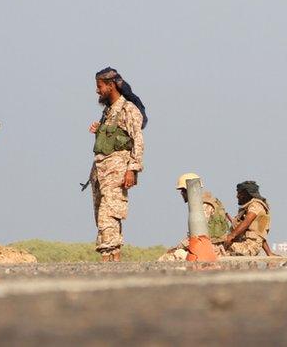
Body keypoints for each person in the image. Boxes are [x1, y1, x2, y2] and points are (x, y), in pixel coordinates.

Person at [89, 67, 146, 262]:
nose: (97, 91)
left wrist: (132, 169)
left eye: (100, 86)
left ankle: (108, 258)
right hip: (100, 171)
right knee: (102, 214)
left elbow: (137, 140)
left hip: (117, 169)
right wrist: (98, 130)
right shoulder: (108, 112)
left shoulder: (128, 109)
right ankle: (113, 257)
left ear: (111, 85)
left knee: (109, 213)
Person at [158, 173, 232, 261]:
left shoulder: (203, 206)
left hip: (208, 248)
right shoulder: (201, 204)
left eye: (183, 190)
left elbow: (199, 235)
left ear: (190, 189)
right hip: (209, 246)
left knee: (165, 259)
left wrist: (177, 248)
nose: (181, 193)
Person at [224, 181, 275, 257]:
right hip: (244, 244)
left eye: (239, 193)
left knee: (216, 250)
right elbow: (259, 233)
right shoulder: (249, 208)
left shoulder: (255, 206)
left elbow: (246, 222)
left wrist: (231, 236)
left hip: (248, 247)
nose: (237, 196)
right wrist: (269, 253)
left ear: (246, 194)